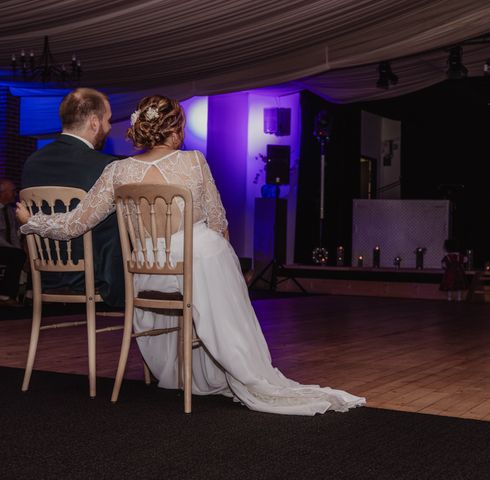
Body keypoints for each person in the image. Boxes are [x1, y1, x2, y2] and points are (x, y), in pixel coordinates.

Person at [17, 95, 364, 415]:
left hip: (146, 274)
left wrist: (32, 221)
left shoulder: (117, 171)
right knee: (211, 247)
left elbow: (76, 223)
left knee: (207, 251)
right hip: (194, 268)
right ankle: (241, 365)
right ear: (177, 128)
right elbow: (218, 222)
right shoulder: (194, 162)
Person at [21, 88, 124, 308]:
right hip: (92, 276)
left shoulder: (32, 162)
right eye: (108, 120)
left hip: (45, 273)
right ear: (94, 122)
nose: (109, 127)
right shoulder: (105, 166)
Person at [0, 179, 26, 305]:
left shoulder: (11, 211)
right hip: (2, 247)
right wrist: (14, 249)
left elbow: (14, 234)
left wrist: (19, 248)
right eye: (12, 191)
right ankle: (5, 295)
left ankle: (30, 293)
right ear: (2, 193)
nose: (15, 194)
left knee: (30, 254)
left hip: (9, 248)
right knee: (16, 255)